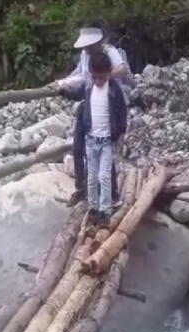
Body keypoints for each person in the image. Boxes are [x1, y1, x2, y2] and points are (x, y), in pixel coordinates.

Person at [48, 22, 131, 207]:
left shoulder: (109, 52)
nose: (86, 48)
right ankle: (80, 188)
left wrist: (103, 77)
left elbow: (122, 69)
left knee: (105, 156)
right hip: (89, 106)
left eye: (89, 44)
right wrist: (62, 84)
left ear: (98, 41)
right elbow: (80, 76)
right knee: (78, 148)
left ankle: (112, 195)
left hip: (107, 108)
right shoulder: (85, 56)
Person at [58, 51, 127, 226]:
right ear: (90, 74)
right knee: (92, 176)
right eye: (94, 77)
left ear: (109, 72)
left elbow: (122, 111)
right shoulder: (88, 87)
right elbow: (76, 93)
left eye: (101, 77)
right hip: (91, 139)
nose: (97, 81)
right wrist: (63, 91)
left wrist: (121, 132)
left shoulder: (113, 89)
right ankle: (93, 208)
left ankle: (105, 211)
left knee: (104, 176)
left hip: (106, 141)